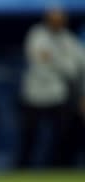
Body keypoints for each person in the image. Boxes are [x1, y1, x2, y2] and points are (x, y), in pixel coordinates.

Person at [20, 8, 85, 168]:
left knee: (62, 135)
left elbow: (77, 68)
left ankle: (59, 167)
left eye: (60, 19)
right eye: (53, 19)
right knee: (29, 135)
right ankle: (23, 168)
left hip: (58, 94)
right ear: (47, 20)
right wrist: (62, 63)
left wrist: (53, 60)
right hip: (33, 94)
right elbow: (38, 58)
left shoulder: (69, 40)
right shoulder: (37, 34)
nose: (57, 23)